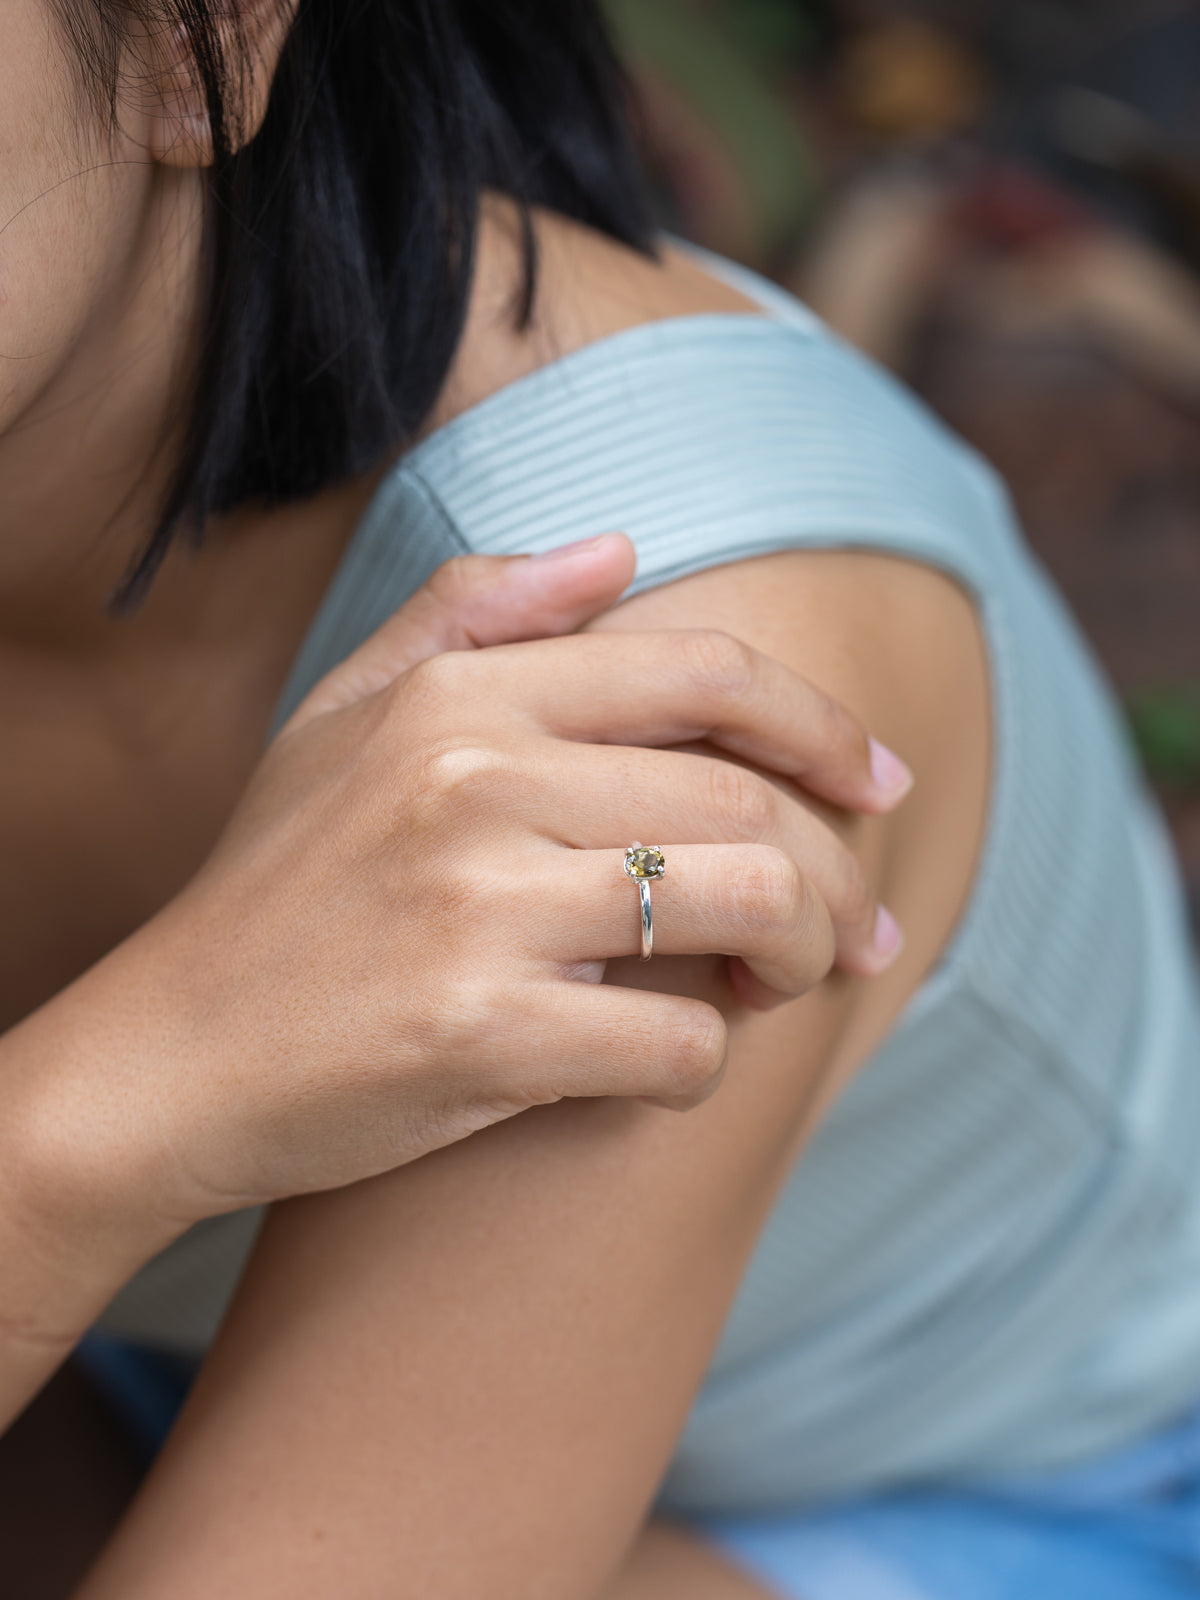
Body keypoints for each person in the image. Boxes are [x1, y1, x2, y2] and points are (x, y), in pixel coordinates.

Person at [5, 4, 1200, 1598]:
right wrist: (90, 1123)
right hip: (155, 1341)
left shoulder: (655, 703)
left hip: (941, 1499)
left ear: (195, 38)